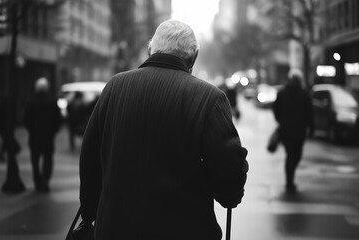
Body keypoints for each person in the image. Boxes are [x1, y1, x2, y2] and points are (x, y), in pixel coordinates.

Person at [78, 20, 249, 240]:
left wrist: (91, 210)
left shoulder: (114, 87)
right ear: (194, 56)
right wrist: (230, 195)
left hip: (115, 230)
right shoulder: (209, 98)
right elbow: (228, 170)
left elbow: (90, 157)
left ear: (151, 50)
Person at [272, 69, 314, 193]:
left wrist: (280, 120)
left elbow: (275, 109)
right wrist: (311, 128)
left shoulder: (282, 92)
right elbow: (309, 113)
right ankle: (290, 181)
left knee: (290, 154)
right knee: (296, 155)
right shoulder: (304, 93)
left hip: (286, 130)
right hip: (299, 131)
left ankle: (289, 179)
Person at [24, 78, 62, 192]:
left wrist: (31, 130)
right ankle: (45, 180)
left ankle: (37, 181)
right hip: (48, 137)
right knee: (48, 159)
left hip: (34, 137)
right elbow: (58, 119)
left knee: (35, 161)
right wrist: (53, 131)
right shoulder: (52, 101)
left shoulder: (30, 101)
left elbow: (26, 120)